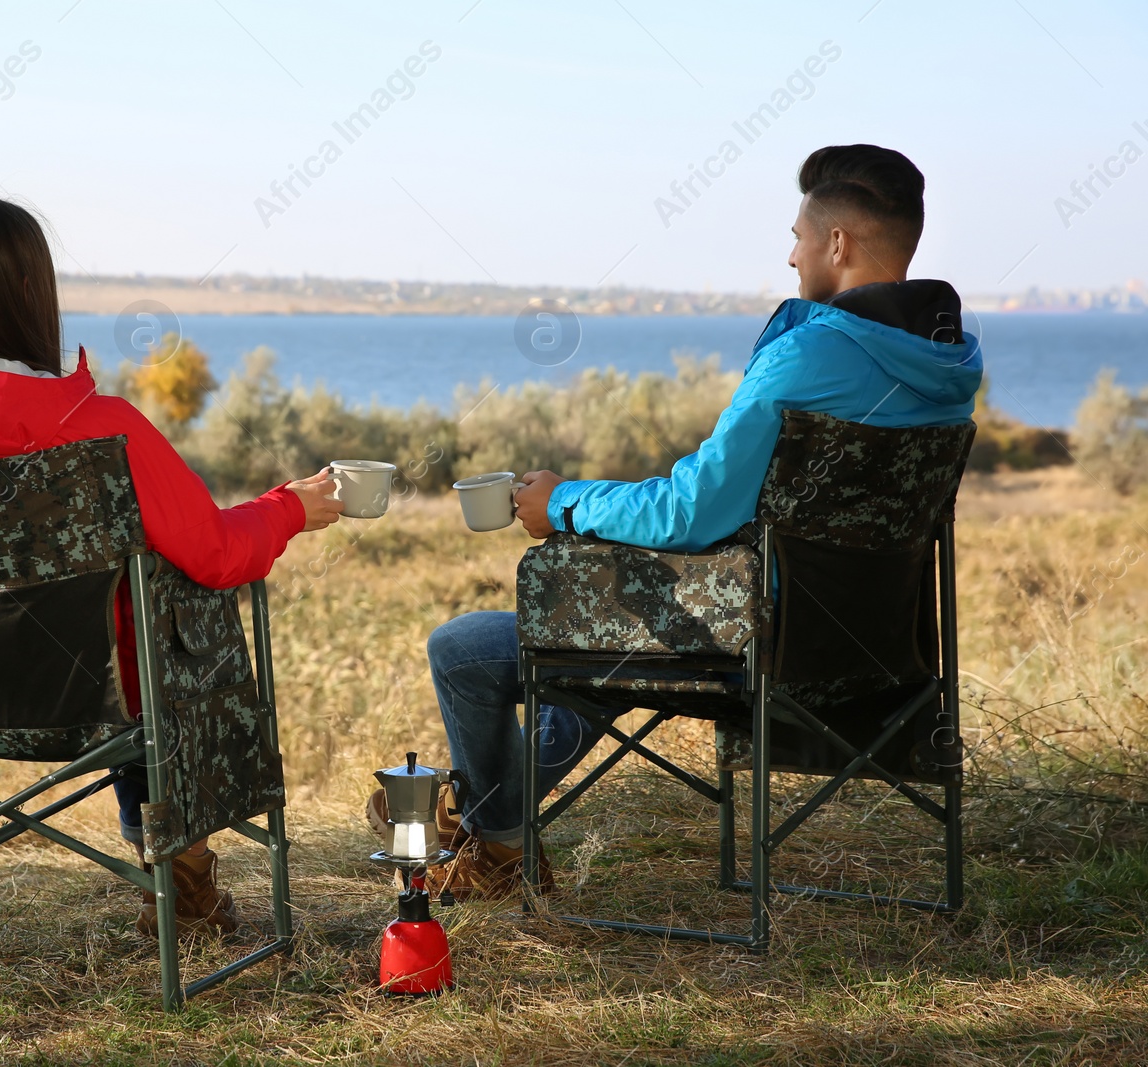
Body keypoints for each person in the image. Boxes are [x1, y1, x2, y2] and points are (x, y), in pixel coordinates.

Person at [392, 144, 985, 899]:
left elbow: (690, 510)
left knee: (466, 649)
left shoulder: (810, 353)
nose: (792, 254)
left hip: (753, 642)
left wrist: (564, 502)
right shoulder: (950, 366)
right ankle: (472, 819)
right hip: (878, 649)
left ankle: (494, 839)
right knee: (600, 639)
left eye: (800, 235)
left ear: (837, 243)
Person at [0, 196, 344, 935]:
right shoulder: (101, 431)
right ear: (35, 297)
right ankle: (182, 881)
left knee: (117, 622)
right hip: (91, 693)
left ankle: (176, 882)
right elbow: (218, 553)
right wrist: (289, 508)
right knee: (160, 622)